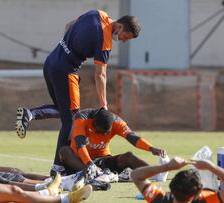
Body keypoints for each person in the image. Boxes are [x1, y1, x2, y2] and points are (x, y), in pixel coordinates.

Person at [15, 10, 141, 175]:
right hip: (66, 71)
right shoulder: (105, 41)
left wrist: (70, 50)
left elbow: (69, 25)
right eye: (125, 38)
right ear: (119, 26)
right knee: (73, 120)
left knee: (64, 111)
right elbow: (100, 75)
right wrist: (103, 104)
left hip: (51, 61)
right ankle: (58, 168)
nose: (123, 42)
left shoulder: (97, 13)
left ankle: (30, 114)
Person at [58, 108, 165, 181]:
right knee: (64, 151)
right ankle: (94, 175)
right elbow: (80, 145)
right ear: (94, 123)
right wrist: (90, 165)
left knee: (129, 157)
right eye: (100, 132)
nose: (103, 135)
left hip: (102, 160)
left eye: (106, 132)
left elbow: (133, 138)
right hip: (80, 162)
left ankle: (155, 174)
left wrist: (151, 148)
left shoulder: (116, 121)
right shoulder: (82, 118)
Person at [131, 157, 224, 203]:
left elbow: (136, 175)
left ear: (172, 187)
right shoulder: (207, 200)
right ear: (198, 192)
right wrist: (211, 167)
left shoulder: (161, 199)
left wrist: (168, 167)